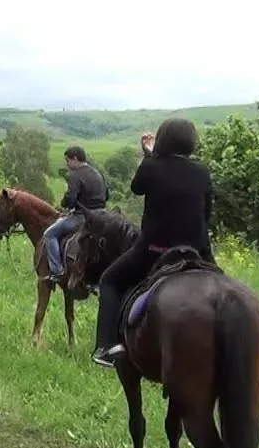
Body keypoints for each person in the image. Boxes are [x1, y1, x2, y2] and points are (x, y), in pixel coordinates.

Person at [92, 119, 216, 368]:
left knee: (109, 280)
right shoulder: (202, 172)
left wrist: (149, 155)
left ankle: (106, 346)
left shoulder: (152, 167)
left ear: (163, 141)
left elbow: (137, 188)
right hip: (198, 252)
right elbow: (207, 215)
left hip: (155, 251)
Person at [43, 145, 109, 285]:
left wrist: (64, 203)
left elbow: (71, 199)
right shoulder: (98, 173)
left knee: (50, 234)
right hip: (102, 217)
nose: (67, 165)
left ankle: (57, 271)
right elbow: (107, 195)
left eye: (67, 161)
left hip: (82, 218)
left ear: (75, 159)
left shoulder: (74, 175)